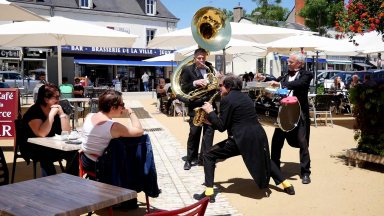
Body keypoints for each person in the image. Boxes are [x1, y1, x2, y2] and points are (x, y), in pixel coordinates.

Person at [194, 74, 295, 203]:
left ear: (228, 86)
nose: (219, 89)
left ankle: (209, 193)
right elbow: (233, 120)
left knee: (208, 155)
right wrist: (210, 121)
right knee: (264, 159)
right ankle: (287, 185)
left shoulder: (227, 99)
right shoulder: (245, 97)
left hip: (241, 139)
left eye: (220, 86)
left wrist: (210, 112)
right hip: (258, 135)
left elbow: (221, 127)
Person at [267, 51, 313, 184]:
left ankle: (305, 172)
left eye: (291, 62)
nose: (288, 63)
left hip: (299, 113)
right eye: (288, 61)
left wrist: (282, 85)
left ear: (299, 63)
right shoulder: (286, 75)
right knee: (276, 141)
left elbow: (300, 84)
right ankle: (274, 168)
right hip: (284, 113)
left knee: (302, 142)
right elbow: (276, 81)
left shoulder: (307, 74)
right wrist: (265, 80)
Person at [80, 89, 144, 172]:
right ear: (113, 108)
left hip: (85, 161)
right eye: (122, 104)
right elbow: (139, 131)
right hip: (101, 167)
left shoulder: (89, 116)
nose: (124, 107)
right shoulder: (114, 127)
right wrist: (131, 112)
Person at [22, 83, 78, 176]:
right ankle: (50, 183)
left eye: (59, 97)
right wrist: (51, 115)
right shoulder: (34, 112)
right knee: (45, 155)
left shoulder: (58, 108)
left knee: (74, 153)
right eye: (56, 97)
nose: (58, 100)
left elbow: (67, 132)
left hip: (53, 144)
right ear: (46, 99)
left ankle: (70, 180)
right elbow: (41, 133)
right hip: (33, 147)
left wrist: (62, 115)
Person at [180, 48, 216, 170]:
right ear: (194, 58)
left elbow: (215, 85)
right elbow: (183, 88)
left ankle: (204, 159)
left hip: (209, 106)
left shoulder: (210, 68)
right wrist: (195, 83)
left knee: (208, 134)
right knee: (194, 133)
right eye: (199, 58)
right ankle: (190, 159)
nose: (201, 60)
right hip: (195, 106)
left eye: (203, 58)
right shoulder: (187, 69)